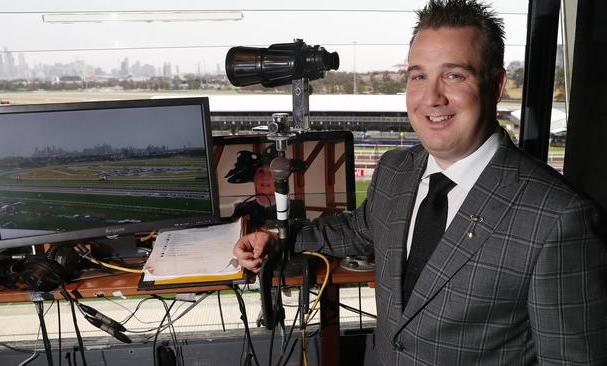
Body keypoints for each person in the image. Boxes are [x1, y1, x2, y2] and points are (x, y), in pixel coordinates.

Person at [233, 0, 607, 364]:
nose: (431, 97)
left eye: (454, 75)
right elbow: (360, 229)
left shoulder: (560, 219)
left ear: (495, 86)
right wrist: (280, 238)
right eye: (419, 76)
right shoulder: (396, 169)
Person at [225, 144, 307, 231]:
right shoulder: (242, 209)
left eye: (271, 172)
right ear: (253, 178)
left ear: (279, 178)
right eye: (261, 172)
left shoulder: (296, 207)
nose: (265, 177)